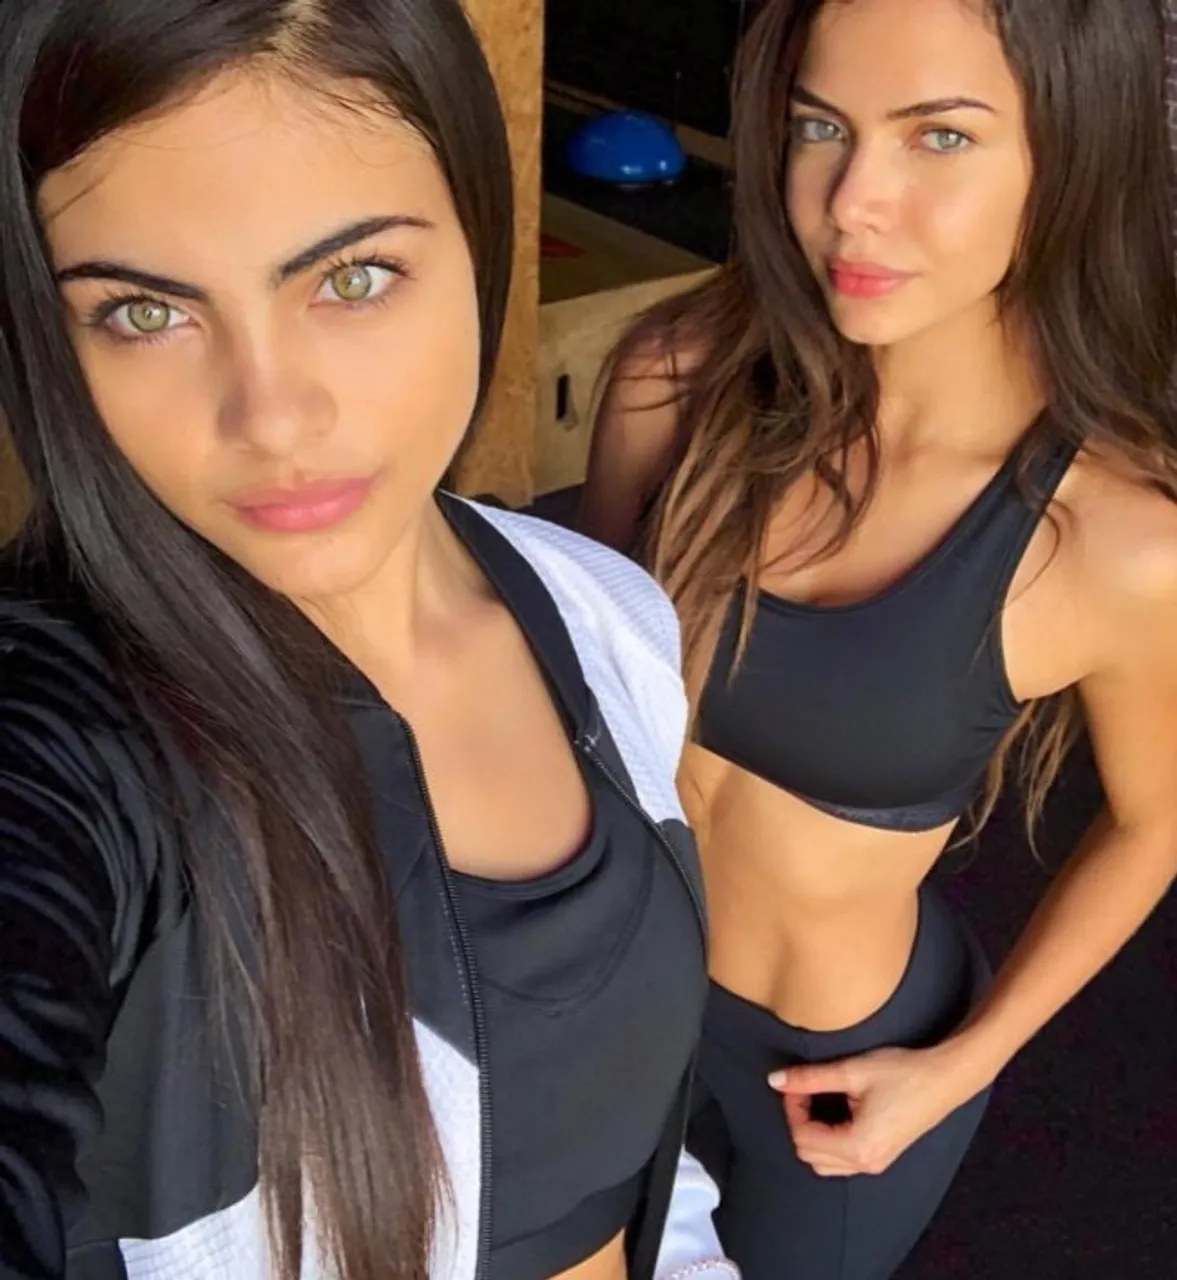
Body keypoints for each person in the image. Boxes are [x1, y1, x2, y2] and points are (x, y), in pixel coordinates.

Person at [0, 2, 740, 1279]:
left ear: (480, 245)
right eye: (142, 312)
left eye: (352, 278)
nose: (273, 417)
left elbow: (634, 1137)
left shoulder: (603, 610)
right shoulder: (68, 741)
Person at [579, 0, 1177, 1276]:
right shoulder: (676, 379)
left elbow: (1154, 822)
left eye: (939, 136)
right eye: (819, 127)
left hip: (832, 1073)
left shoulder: (1116, 541)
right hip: (610, 992)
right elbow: (579, 691)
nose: (851, 202)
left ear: (1072, 153)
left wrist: (962, 1063)